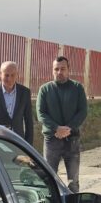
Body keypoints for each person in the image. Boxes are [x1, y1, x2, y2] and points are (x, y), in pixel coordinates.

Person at [37, 56, 88, 192]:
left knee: (73, 182)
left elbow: (82, 111)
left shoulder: (77, 88)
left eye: (63, 69)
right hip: (51, 140)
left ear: (68, 70)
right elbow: (41, 113)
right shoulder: (45, 89)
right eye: (56, 69)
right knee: (49, 180)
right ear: (52, 70)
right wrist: (56, 128)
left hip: (72, 140)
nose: (59, 72)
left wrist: (68, 129)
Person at [0, 61, 35, 144]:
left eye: (12, 75)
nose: (9, 79)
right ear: (0, 74)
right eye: (6, 75)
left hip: (18, 142)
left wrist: (28, 145)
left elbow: (29, 121)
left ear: (17, 75)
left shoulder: (25, 92)